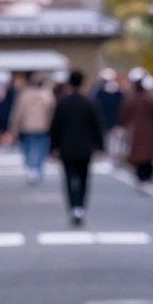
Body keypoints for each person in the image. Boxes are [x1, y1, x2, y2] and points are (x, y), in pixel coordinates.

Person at [49, 72, 103, 224]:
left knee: (68, 179)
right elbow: (97, 126)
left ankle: (73, 207)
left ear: (69, 83)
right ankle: (81, 207)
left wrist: (53, 147)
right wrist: (100, 147)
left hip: (66, 148)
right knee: (84, 179)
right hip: (85, 148)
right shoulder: (90, 102)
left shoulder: (62, 103)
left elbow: (55, 127)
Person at [120, 72, 153, 184]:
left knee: (139, 155)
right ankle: (146, 177)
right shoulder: (151, 99)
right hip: (151, 132)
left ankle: (141, 177)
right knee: (149, 156)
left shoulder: (132, 99)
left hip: (137, 131)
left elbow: (125, 114)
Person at [8, 74, 56, 182]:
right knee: (40, 149)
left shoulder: (24, 95)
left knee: (29, 149)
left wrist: (14, 127)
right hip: (43, 126)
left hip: (27, 126)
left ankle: (30, 167)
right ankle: (37, 168)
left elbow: (17, 113)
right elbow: (52, 112)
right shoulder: (47, 95)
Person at [92, 69, 125, 145]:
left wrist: (119, 124)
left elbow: (121, 110)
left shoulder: (118, 94)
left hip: (113, 125)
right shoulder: (98, 93)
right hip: (103, 124)